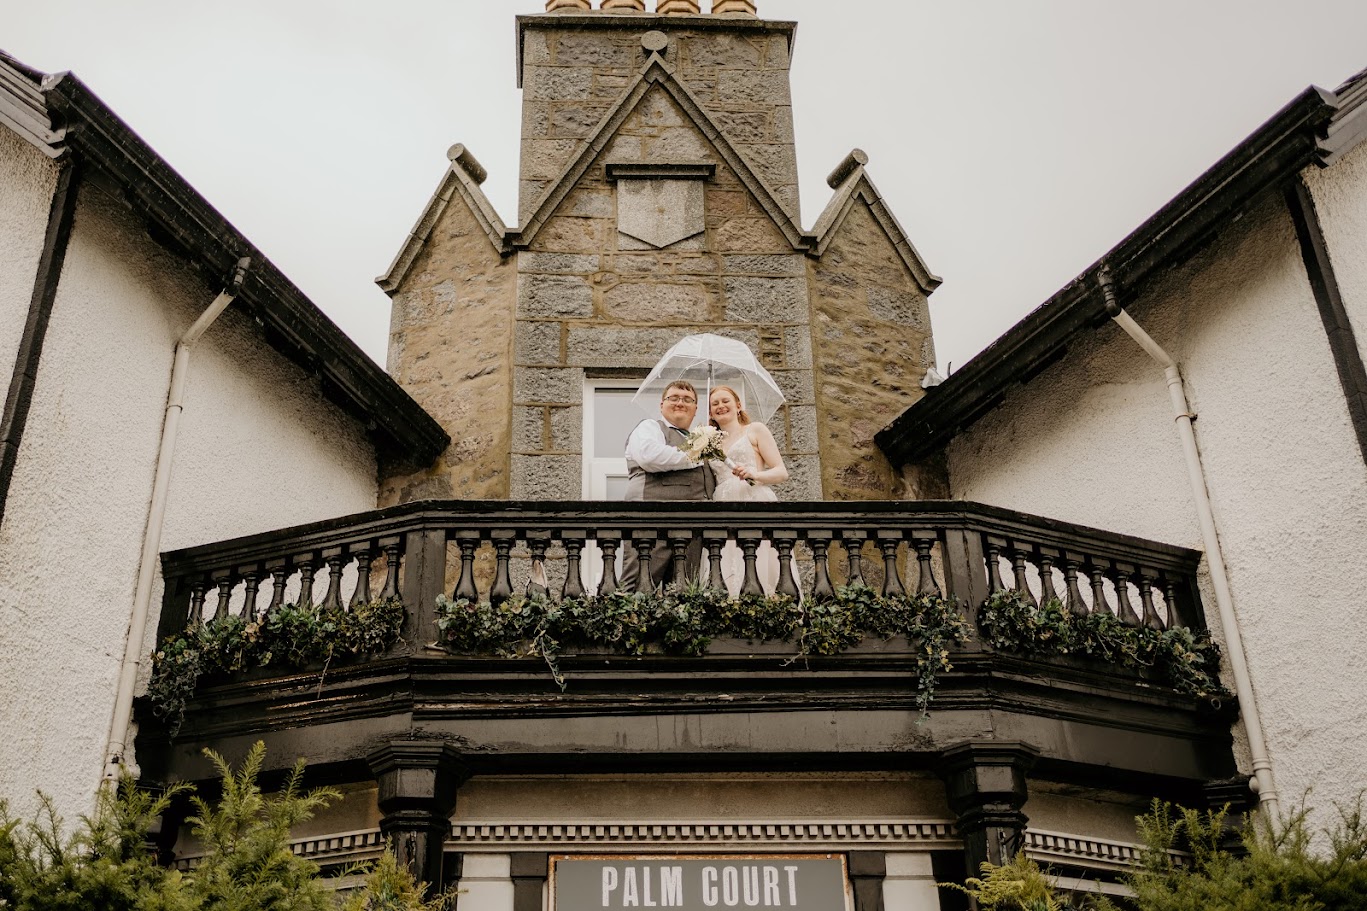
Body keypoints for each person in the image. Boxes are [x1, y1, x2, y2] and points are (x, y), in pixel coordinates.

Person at [621, 379, 715, 591]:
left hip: (691, 528)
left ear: (696, 409)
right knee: (639, 589)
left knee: (683, 596)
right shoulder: (650, 427)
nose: (680, 403)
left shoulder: (700, 439)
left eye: (687, 400)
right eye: (673, 398)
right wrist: (694, 453)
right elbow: (649, 457)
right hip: (651, 520)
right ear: (662, 405)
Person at [707, 385, 791, 596]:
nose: (720, 406)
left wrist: (755, 475)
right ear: (710, 413)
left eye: (725, 401)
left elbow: (781, 473)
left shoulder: (755, 430)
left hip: (754, 499)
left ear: (738, 405)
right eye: (714, 404)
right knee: (727, 558)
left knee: (759, 556)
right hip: (723, 506)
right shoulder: (711, 443)